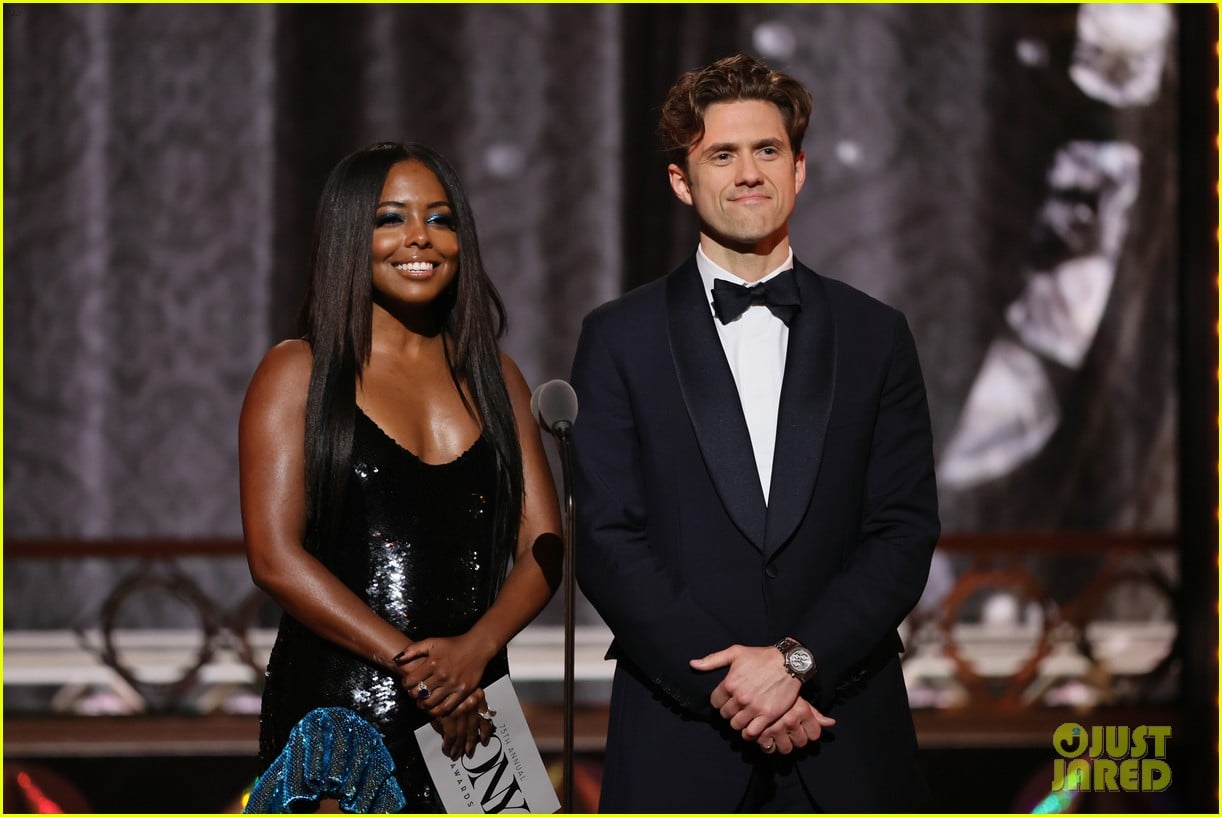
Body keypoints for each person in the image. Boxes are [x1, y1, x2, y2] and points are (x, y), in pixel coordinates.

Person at [571, 54, 939, 812]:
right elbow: (608, 538)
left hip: (844, 732)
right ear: (682, 179)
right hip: (681, 736)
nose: (748, 172)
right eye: (722, 154)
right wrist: (737, 686)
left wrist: (799, 662)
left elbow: (903, 531)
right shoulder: (618, 337)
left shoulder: (876, 334)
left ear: (799, 168)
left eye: (767, 150)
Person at [239, 142, 563, 811]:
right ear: (351, 235)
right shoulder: (297, 371)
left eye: (440, 219)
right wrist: (419, 667)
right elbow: (274, 557)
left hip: (473, 708)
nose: (420, 236)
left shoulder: (495, 374)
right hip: (346, 714)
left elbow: (544, 546)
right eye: (392, 218)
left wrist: (474, 651)